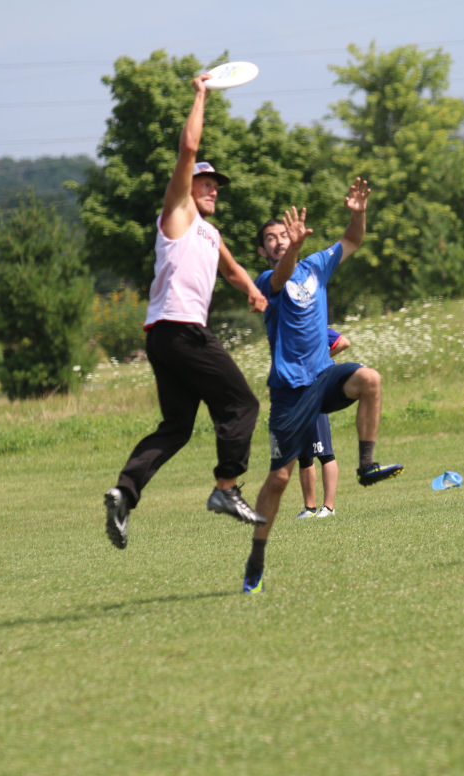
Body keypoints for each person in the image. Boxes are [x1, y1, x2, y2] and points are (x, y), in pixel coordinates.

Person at [104, 73, 269, 550]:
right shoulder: (178, 213)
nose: (214, 190)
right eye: (207, 184)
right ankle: (226, 488)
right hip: (180, 330)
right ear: (188, 185)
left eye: (217, 186)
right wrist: (201, 95)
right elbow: (189, 148)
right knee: (242, 404)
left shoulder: (210, 234)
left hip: (163, 337)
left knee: (176, 427)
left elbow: (232, 270)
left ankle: (124, 492)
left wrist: (252, 292)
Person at [245, 182, 403, 593]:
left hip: (322, 375)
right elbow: (282, 277)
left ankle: (366, 466)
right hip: (290, 391)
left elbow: (352, 240)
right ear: (263, 250)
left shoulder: (316, 266)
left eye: (284, 234)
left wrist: (358, 212)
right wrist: (295, 249)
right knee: (279, 479)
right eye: (271, 238)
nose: (279, 240)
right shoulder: (266, 279)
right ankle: (256, 556)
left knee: (370, 379)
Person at [295, 328, 351, 520]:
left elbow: (343, 342)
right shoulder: (288, 330)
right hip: (295, 395)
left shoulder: (315, 326)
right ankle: (309, 509)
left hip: (315, 392)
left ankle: (328, 507)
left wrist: (319, 359)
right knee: (304, 455)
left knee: (324, 451)